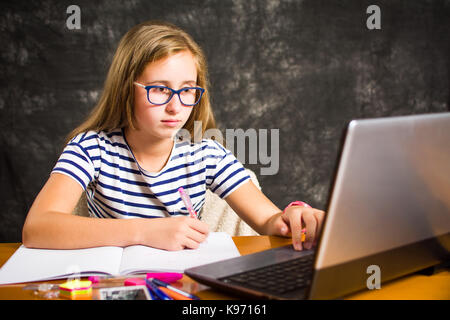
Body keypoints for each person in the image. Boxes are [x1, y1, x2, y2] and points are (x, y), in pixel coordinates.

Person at [22, 20, 325, 251]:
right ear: (127, 89)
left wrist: (295, 218)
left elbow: (269, 221)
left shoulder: (206, 153)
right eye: (159, 89)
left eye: (187, 90)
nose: (175, 106)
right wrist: (145, 232)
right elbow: (37, 227)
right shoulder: (91, 149)